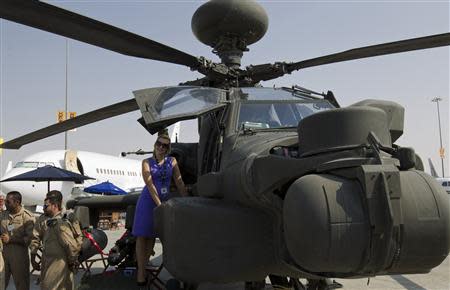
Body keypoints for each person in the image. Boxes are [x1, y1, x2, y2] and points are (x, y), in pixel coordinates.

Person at [132, 130, 187, 286]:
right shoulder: (146, 162)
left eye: (165, 146)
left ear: (168, 149)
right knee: (142, 236)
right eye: (159, 144)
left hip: (163, 201)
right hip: (148, 201)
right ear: (154, 145)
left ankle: (147, 265)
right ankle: (141, 274)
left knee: (153, 236)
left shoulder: (172, 161)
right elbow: (149, 185)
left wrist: (188, 200)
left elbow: (179, 183)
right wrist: (159, 205)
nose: (161, 147)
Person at [40, 190, 82, 290]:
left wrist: (72, 261)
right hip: (49, 262)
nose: (43, 208)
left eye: (46, 206)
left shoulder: (59, 223)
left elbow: (71, 245)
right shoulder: (52, 222)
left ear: (54, 206)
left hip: (58, 264)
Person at [0, 191, 35, 290]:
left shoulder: (27, 217)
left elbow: (30, 239)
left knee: (22, 286)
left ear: (17, 202)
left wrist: (11, 239)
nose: (6, 203)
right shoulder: (3, 215)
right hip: (3, 258)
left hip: (19, 259)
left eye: (8, 201)